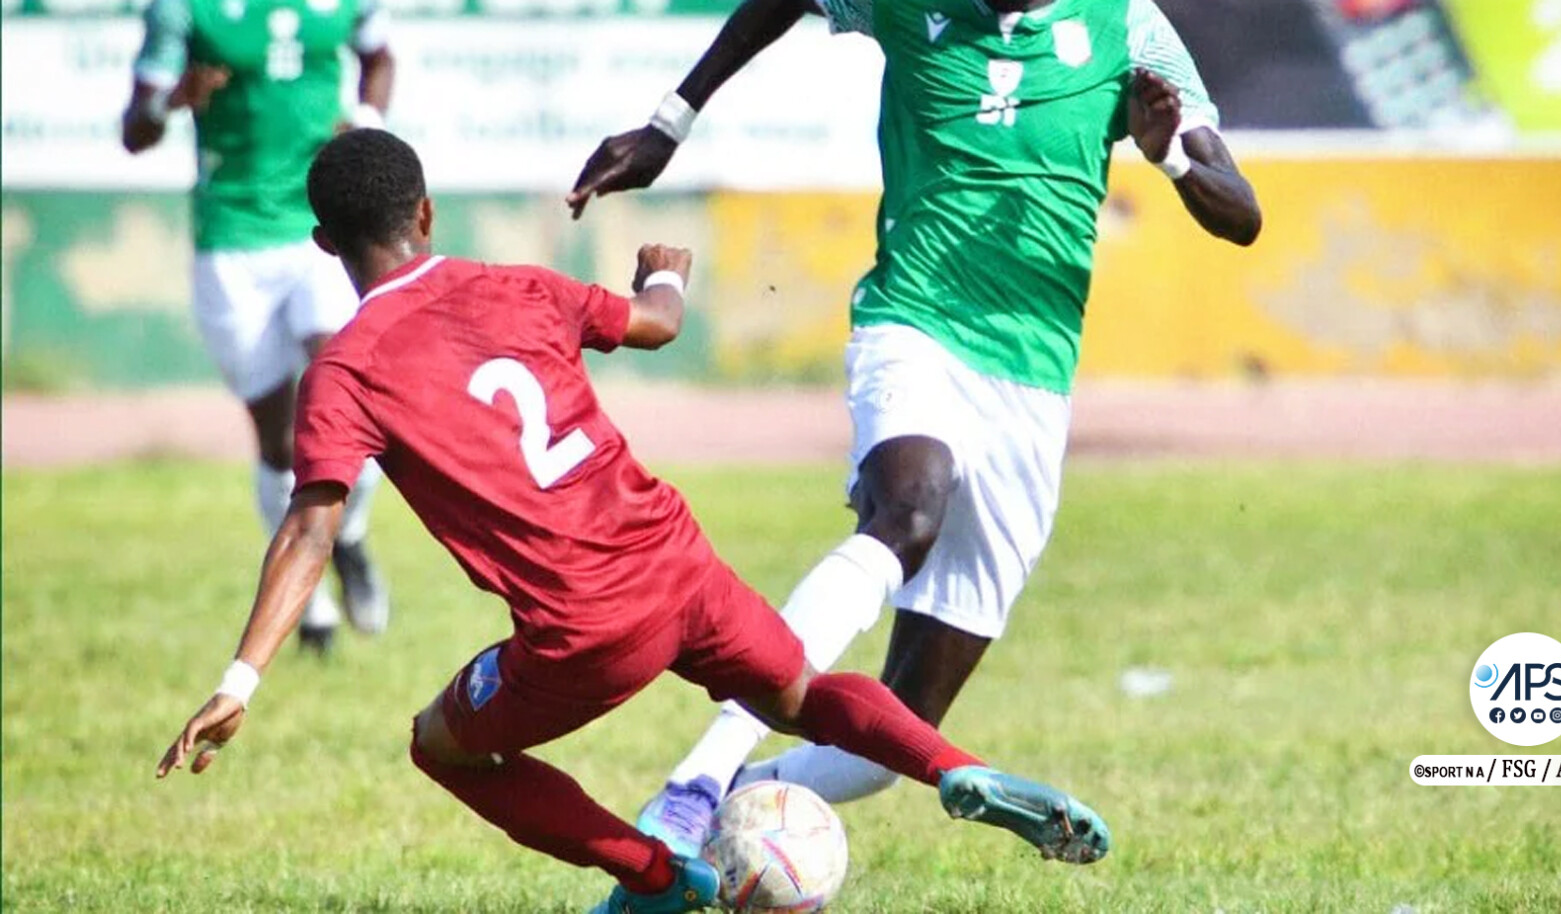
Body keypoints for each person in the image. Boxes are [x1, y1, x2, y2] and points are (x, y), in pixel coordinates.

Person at [154, 129, 1112, 914]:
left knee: (444, 745)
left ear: (325, 243)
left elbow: (311, 527)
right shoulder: (517, 285)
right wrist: (667, 273)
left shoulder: (348, 370)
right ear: (425, 214)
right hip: (677, 559)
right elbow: (654, 324)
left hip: (584, 626)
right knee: (799, 693)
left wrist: (241, 679)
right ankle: (951, 766)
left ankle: (656, 877)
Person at [567, 0, 1262, 854]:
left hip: (1033, 381)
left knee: (885, 747)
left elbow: (1242, 215)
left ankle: (721, 818)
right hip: (912, 321)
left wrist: (1171, 162)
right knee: (908, 512)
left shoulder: (1130, 28)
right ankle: (700, 774)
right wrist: (671, 123)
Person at [122, 0, 398, 651]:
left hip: (319, 231)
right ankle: (312, 600)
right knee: (279, 441)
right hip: (231, 236)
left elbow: (379, 55)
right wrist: (170, 103)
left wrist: (363, 123)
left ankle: (349, 536)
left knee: (346, 401)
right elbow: (135, 128)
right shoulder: (186, 11)